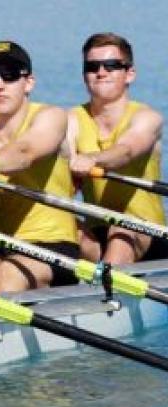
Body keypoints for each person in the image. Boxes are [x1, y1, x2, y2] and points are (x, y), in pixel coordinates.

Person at [0, 41, 79, 293]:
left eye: (10, 75)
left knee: (10, 271)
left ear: (28, 83)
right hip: (2, 246)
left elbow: (25, 153)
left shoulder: (51, 117)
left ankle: (0, 328)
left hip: (56, 247)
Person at [66, 32, 166, 264]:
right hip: (95, 232)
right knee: (53, 228)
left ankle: (109, 296)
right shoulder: (70, 119)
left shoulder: (147, 118)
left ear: (129, 74)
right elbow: (65, 167)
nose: (101, 73)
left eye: (111, 66)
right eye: (92, 67)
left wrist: (92, 159)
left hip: (145, 233)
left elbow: (126, 151)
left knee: (120, 234)